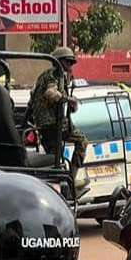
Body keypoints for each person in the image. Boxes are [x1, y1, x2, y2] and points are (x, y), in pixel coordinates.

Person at [28, 47, 88, 183]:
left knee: (56, 159)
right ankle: (69, 179)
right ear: (59, 62)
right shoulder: (53, 75)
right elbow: (50, 93)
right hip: (50, 124)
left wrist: (70, 104)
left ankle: (68, 179)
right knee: (59, 158)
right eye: (68, 62)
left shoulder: (57, 77)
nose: (70, 65)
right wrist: (68, 99)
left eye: (71, 62)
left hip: (54, 124)